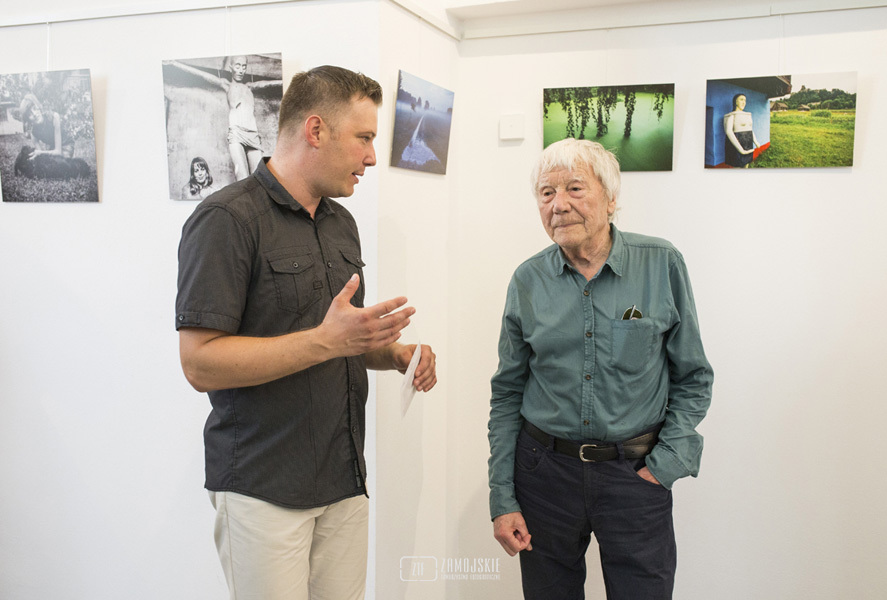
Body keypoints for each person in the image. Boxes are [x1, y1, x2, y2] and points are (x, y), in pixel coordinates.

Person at [176, 65, 437, 600]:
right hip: (263, 487)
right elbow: (199, 363)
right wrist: (326, 341)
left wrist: (391, 352)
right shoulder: (226, 219)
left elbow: (343, 337)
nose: (371, 157)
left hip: (343, 478)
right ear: (315, 130)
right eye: (364, 138)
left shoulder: (342, 223)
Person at [488, 138, 713, 600]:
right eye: (546, 193)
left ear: (611, 199)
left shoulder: (662, 264)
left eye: (575, 188)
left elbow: (694, 377)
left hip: (635, 475)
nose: (559, 205)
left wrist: (666, 463)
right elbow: (507, 393)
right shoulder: (527, 280)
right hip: (544, 476)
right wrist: (502, 497)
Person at [169, 55, 282, 180]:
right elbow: (203, 75)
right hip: (236, 134)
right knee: (242, 178)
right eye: (237, 66)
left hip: (253, 135)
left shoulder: (250, 87)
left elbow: (269, 84)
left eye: (243, 66)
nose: (240, 70)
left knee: (260, 179)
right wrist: (175, 63)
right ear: (231, 67)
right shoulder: (227, 85)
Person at [18, 93, 75, 159]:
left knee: (60, 162)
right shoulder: (33, 133)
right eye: (30, 114)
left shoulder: (54, 118)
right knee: (48, 162)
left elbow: (58, 152)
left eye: (34, 108)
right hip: (52, 146)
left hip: (66, 144)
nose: (34, 114)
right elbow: (41, 156)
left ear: (38, 107)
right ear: (28, 119)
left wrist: (41, 152)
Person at [723, 93, 759, 168]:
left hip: (748, 142)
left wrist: (755, 141)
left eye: (745, 100)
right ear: (736, 102)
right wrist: (740, 149)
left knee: (746, 163)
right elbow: (728, 132)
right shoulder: (731, 115)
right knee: (737, 165)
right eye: (741, 100)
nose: (744, 102)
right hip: (736, 143)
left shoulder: (747, 115)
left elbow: (750, 129)